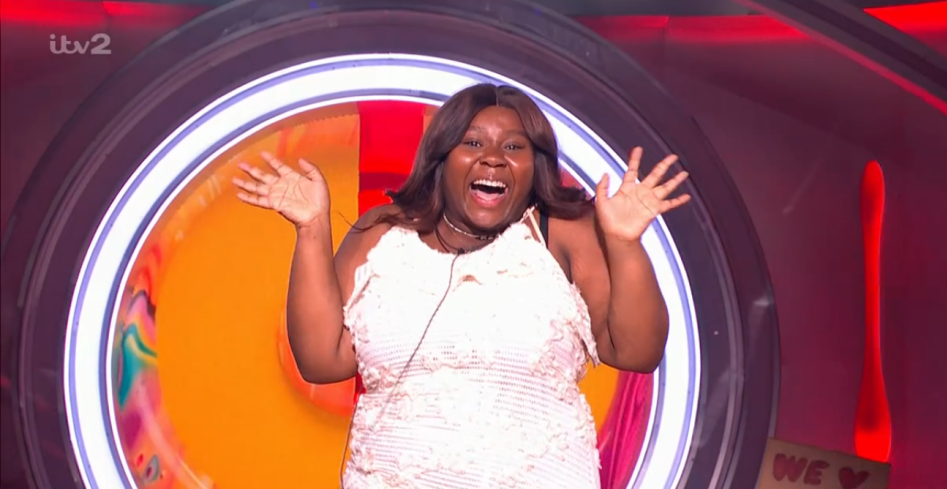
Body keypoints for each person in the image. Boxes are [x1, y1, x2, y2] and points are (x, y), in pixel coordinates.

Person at [233, 84, 690, 489]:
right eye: (473, 142)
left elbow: (636, 352)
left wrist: (625, 243)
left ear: (535, 166)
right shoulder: (382, 233)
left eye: (514, 146)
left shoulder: (563, 233)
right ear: (442, 157)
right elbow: (320, 361)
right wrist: (312, 228)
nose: (494, 157)